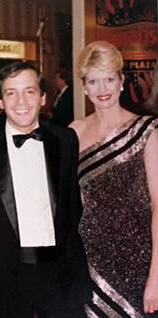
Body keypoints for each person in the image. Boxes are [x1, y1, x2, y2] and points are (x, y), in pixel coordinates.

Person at [0, 61, 90, 318]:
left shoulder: (66, 141)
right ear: (0, 100)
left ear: (43, 97)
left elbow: (72, 212)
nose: (21, 101)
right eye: (11, 93)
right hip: (4, 279)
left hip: (59, 276)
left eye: (29, 91)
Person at [69, 41, 158, 317]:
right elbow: (74, 204)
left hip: (140, 263)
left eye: (109, 79)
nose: (102, 89)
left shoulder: (147, 131)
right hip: (90, 260)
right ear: (84, 87)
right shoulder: (74, 132)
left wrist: (156, 277)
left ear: (121, 81)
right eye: (93, 81)